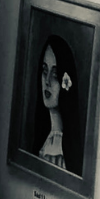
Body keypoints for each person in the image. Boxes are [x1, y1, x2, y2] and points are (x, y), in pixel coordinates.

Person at [34, 35, 82, 174]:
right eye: (44, 71)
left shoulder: (64, 150)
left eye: (55, 75)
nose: (47, 81)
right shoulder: (42, 140)